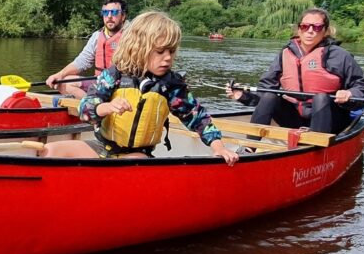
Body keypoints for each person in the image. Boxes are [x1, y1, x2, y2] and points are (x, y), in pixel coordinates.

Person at [41, 11, 239, 164]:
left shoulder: (171, 85)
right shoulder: (114, 74)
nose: (168, 58)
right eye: (160, 52)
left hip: (136, 156)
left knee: (129, 164)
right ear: (138, 48)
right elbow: (85, 110)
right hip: (102, 148)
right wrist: (106, 107)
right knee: (50, 151)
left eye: (171, 51)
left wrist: (219, 147)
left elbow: (197, 117)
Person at [225, 7, 364, 134]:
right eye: (305, 26)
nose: (310, 31)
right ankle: (250, 147)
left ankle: (316, 148)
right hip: (294, 118)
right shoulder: (285, 54)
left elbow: (361, 87)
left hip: (331, 119)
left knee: (320, 98)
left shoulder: (340, 56)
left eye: (317, 27)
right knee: (270, 95)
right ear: (299, 29)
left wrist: (350, 94)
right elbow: (265, 89)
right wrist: (243, 96)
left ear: (325, 31)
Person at [45, 0, 128, 100]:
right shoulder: (97, 36)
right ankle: (92, 104)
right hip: (100, 83)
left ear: (123, 16)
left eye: (114, 12)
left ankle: (97, 104)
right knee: (63, 82)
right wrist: (59, 75)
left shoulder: (132, 36)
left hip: (123, 85)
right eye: (105, 12)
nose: (109, 16)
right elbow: (82, 61)